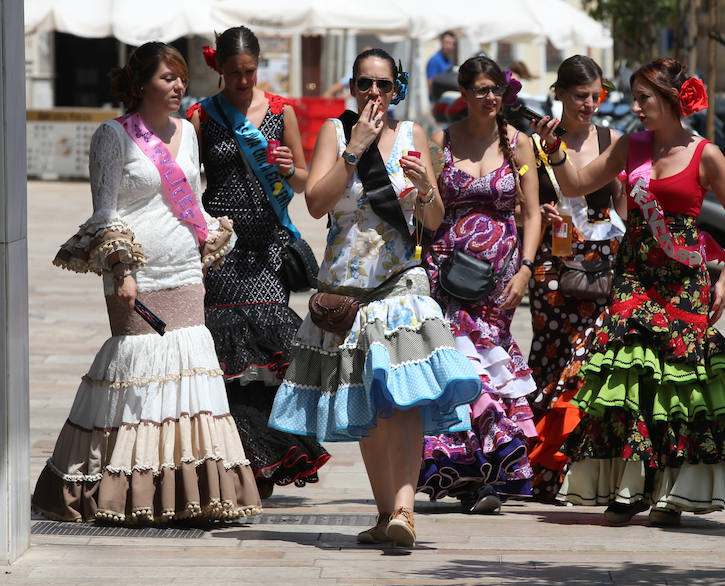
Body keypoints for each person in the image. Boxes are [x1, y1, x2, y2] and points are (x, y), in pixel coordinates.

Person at [534, 57, 725, 526]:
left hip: (683, 284)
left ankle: (670, 492)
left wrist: (724, 280)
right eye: (636, 97)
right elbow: (579, 184)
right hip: (634, 278)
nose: (636, 106)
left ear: (669, 98)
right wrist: (555, 149)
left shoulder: (705, 154)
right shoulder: (632, 145)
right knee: (628, 380)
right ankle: (628, 486)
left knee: (678, 386)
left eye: (644, 97)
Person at [32, 42, 261, 523]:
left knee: (188, 373)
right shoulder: (112, 137)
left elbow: (194, 201)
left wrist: (213, 238)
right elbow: (105, 211)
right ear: (140, 85)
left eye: (181, 77)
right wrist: (123, 269)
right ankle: (126, 489)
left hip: (184, 272)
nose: (179, 86)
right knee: (138, 373)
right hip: (136, 276)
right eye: (167, 78)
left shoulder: (188, 132)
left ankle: (186, 491)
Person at [268, 48, 482, 548]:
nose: (373, 94)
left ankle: (405, 510)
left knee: (403, 398)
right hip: (345, 294)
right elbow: (317, 204)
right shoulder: (335, 133)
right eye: (364, 84)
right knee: (365, 400)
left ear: (397, 88)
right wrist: (353, 149)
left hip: (400, 285)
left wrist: (428, 189)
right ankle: (385, 513)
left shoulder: (413, 137)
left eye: (383, 85)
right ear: (353, 86)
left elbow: (432, 221)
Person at [187, 26, 329, 500]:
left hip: (268, 246)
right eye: (233, 74)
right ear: (218, 69)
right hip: (222, 249)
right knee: (228, 358)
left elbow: (307, 180)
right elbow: (189, 180)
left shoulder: (280, 111)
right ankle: (238, 459)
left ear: (259, 65)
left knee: (267, 357)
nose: (243, 81)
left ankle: (268, 458)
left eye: (249, 72)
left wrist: (289, 168)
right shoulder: (203, 116)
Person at [417, 56, 542, 513]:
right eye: (482, 90)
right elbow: (427, 208)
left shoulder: (519, 144)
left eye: (497, 90)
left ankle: (490, 469)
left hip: (500, 276)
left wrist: (527, 268)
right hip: (446, 272)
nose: (491, 98)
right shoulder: (440, 140)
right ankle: (466, 472)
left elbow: (531, 212)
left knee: (489, 363)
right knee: (458, 367)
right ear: (464, 94)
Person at [525, 55, 627, 503]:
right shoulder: (536, 143)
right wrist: (544, 217)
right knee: (550, 358)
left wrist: (618, 239)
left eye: (596, 96)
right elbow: (520, 205)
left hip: (602, 261)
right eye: (581, 95)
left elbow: (624, 199)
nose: (589, 104)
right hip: (552, 261)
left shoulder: (612, 139)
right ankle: (541, 472)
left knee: (588, 361)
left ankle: (579, 468)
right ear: (560, 94)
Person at [427, 31, 457, 98]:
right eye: (447, 43)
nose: (450, 46)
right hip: (438, 102)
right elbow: (430, 85)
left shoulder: (449, 60)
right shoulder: (434, 60)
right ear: (441, 43)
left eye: (453, 44)